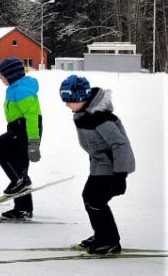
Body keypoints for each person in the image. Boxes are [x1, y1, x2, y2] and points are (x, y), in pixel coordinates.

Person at [60, 75, 135, 255]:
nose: (66, 104)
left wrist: (120, 175)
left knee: (96, 201)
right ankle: (101, 234)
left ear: (81, 98)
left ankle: (110, 242)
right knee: (89, 198)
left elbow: (120, 144)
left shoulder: (101, 118)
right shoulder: (83, 115)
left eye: (69, 100)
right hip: (99, 165)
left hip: (113, 167)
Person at [0, 57, 42, 220]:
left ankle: (19, 181)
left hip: (25, 129)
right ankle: (23, 209)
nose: (0, 78)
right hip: (17, 128)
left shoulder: (21, 90)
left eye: (2, 75)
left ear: (11, 75)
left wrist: (33, 142)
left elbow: (33, 117)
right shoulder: (15, 87)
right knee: (19, 166)